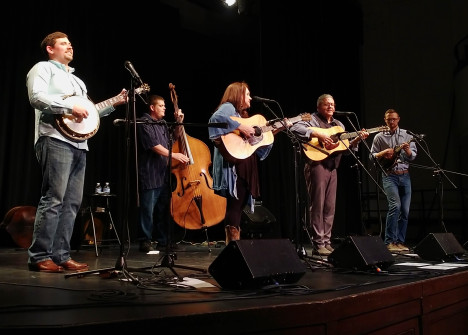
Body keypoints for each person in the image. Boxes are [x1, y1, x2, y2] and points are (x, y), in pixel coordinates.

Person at [26, 31, 127, 272]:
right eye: (63, 44)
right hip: (54, 138)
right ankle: (40, 256)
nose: (70, 47)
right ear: (51, 49)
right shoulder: (42, 68)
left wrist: (115, 102)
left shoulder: (78, 81)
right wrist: (70, 105)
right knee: (54, 199)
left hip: (80, 144)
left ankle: (61, 255)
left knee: (72, 203)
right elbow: (36, 97)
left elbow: (89, 112)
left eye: (70, 43)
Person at [208, 81, 290, 245]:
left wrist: (280, 128)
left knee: (238, 204)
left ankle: (234, 243)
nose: (250, 98)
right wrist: (242, 127)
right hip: (235, 165)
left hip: (245, 161)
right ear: (237, 95)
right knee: (235, 204)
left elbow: (256, 138)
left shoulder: (242, 115)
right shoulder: (228, 107)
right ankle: (233, 245)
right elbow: (215, 119)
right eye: (247, 94)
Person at [290, 94, 368, 256]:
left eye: (332, 104)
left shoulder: (339, 125)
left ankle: (326, 240)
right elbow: (294, 128)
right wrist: (317, 134)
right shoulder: (311, 119)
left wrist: (356, 141)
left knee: (330, 206)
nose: (330, 107)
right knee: (317, 204)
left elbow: (344, 149)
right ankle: (318, 243)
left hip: (333, 166)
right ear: (319, 107)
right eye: (326, 104)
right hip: (316, 164)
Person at [136, 94, 190, 253]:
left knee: (163, 210)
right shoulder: (143, 122)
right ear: (152, 107)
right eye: (161, 106)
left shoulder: (163, 123)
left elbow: (174, 139)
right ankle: (145, 241)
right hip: (150, 173)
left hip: (164, 174)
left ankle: (162, 240)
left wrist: (179, 122)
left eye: (165, 106)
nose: (164, 108)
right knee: (147, 210)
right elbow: (154, 145)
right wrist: (174, 155)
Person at [370, 109, 417, 253]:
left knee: (405, 210)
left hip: (405, 175)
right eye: (388, 119)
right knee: (395, 206)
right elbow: (372, 156)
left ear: (398, 119)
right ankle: (390, 241)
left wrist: (408, 150)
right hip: (389, 175)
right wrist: (384, 152)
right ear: (385, 120)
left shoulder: (407, 135)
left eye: (394, 119)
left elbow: (413, 156)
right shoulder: (379, 137)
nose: (391, 122)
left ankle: (400, 241)